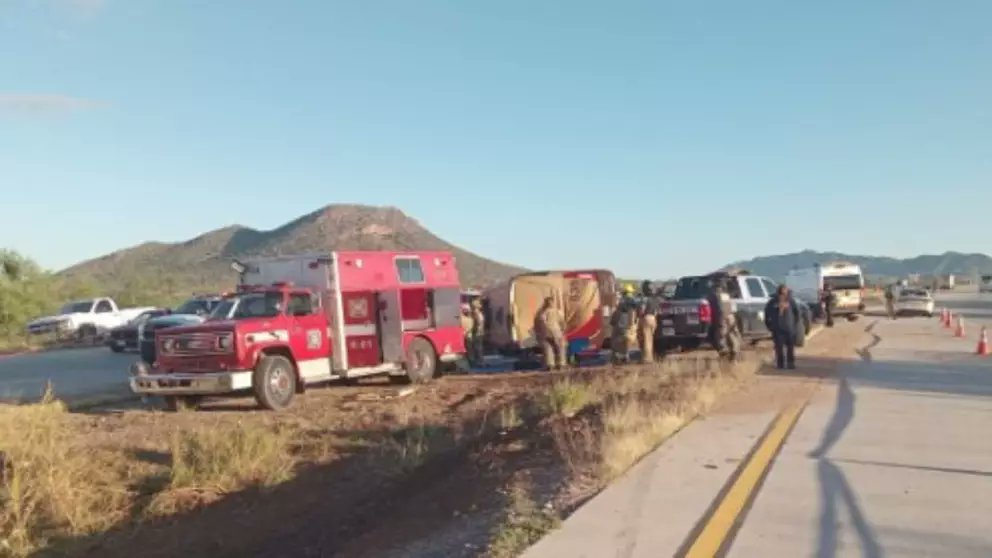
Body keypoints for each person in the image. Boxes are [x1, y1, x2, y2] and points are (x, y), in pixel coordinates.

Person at [764, 285, 801, 370]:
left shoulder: (790, 301)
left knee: (788, 346)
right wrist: (770, 326)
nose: (782, 295)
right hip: (779, 328)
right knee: (780, 347)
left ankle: (788, 363)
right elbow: (767, 315)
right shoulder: (773, 302)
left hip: (787, 328)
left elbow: (797, 314)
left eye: (784, 292)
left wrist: (794, 325)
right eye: (782, 292)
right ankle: (782, 363)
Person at [534, 296, 567, 371]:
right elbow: (562, 322)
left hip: (545, 333)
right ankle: (561, 364)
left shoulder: (541, 312)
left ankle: (550, 365)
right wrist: (563, 330)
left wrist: (538, 333)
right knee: (560, 348)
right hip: (556, 332)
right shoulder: (558, 311)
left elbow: (539, 323)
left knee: (548, 349)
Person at [467, 298, 485, 366]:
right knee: (478, 347)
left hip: (478, 333)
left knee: (478, 347)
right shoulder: (479, 314)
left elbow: (477, 324)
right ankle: (480, 361)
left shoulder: (477, 315)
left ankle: (480, 361)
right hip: (479, 332)